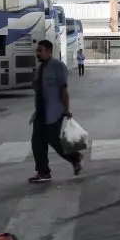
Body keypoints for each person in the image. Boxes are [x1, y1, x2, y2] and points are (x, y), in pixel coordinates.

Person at [29, 39, 82, 184]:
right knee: (37, 143)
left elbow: (63, 90)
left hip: (54, 111)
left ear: (49, 51)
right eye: (37, 50)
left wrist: (66, 109)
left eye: (40, 50)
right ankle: (43, 172)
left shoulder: (58, 66)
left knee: (54, 140)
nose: (37, 53)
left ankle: (74, 158)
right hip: (40, 112)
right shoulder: (40, 68)